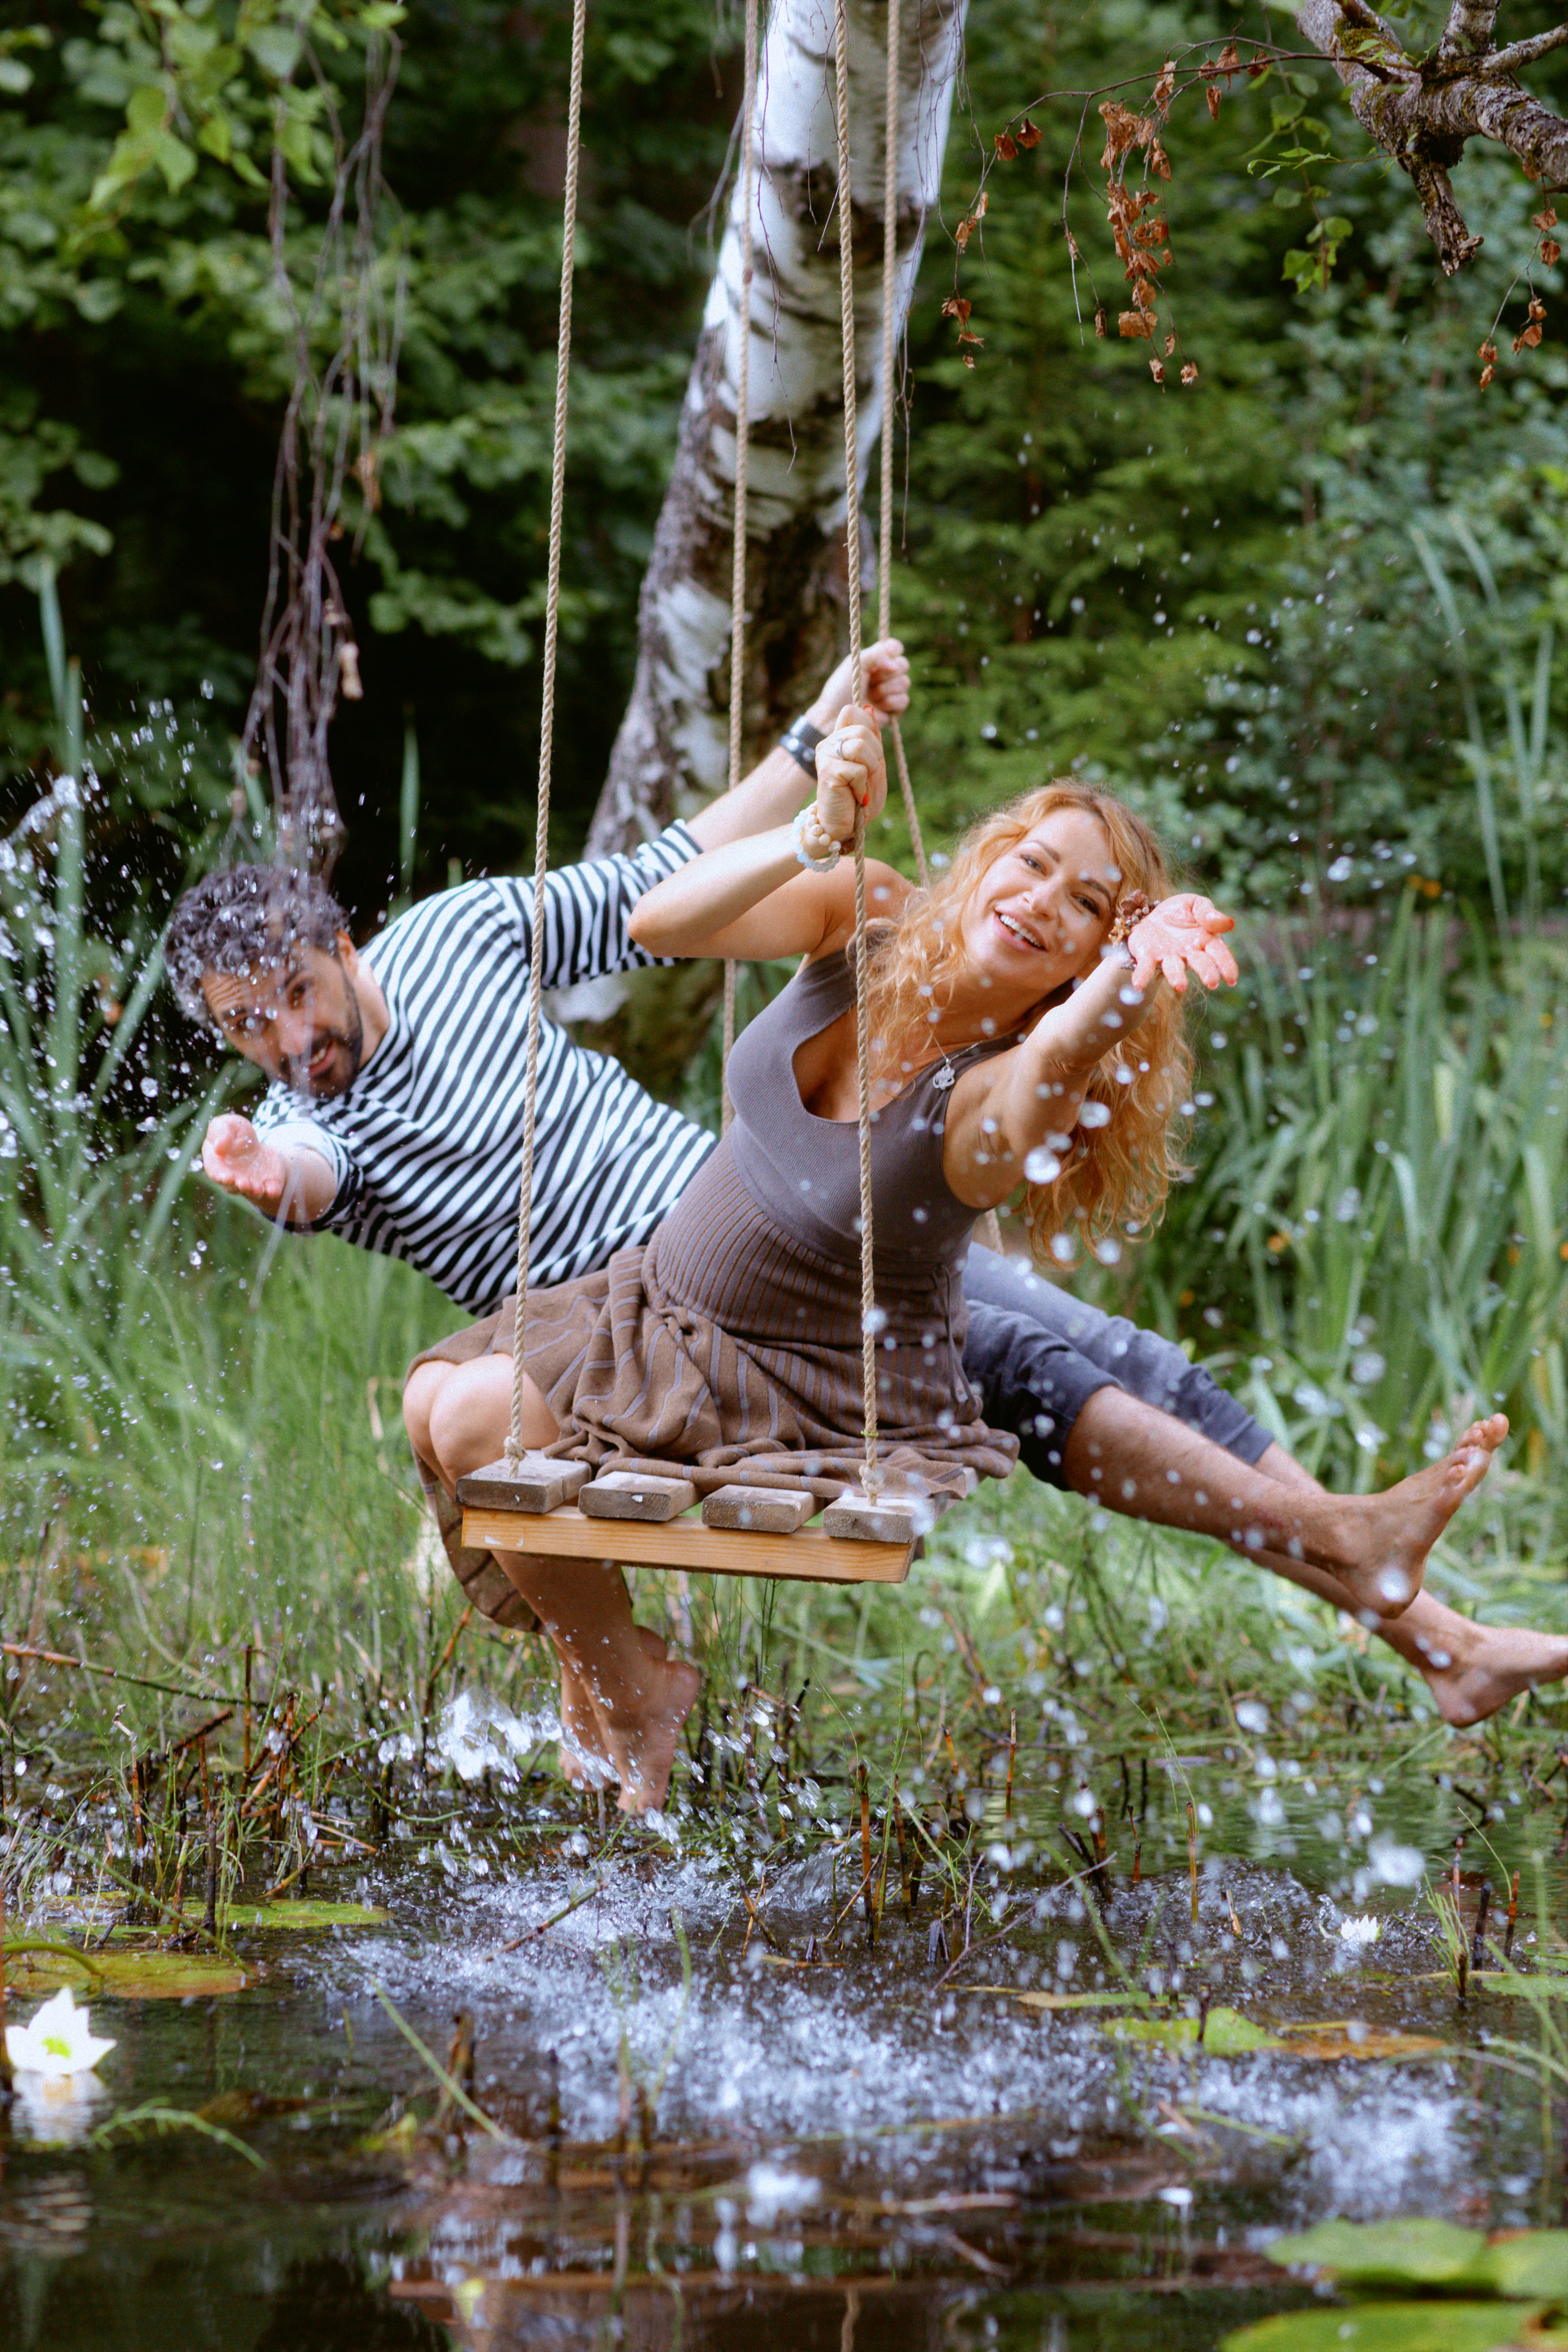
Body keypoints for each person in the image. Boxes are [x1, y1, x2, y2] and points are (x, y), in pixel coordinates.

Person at [167, 646, 1565, 1768]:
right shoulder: (300, 1122)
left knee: (1111, 1359)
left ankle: (1433, 1633)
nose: (287, 1042)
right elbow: (310, 1174)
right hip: (656, 1323)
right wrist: (267, 1176)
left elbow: (651, 885)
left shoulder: (459, 934)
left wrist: (811, 752)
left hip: (767, 1213)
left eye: (292, 997)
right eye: (246, 1030)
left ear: (338, 943)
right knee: (1025, 1364)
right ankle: (1404, 1600)